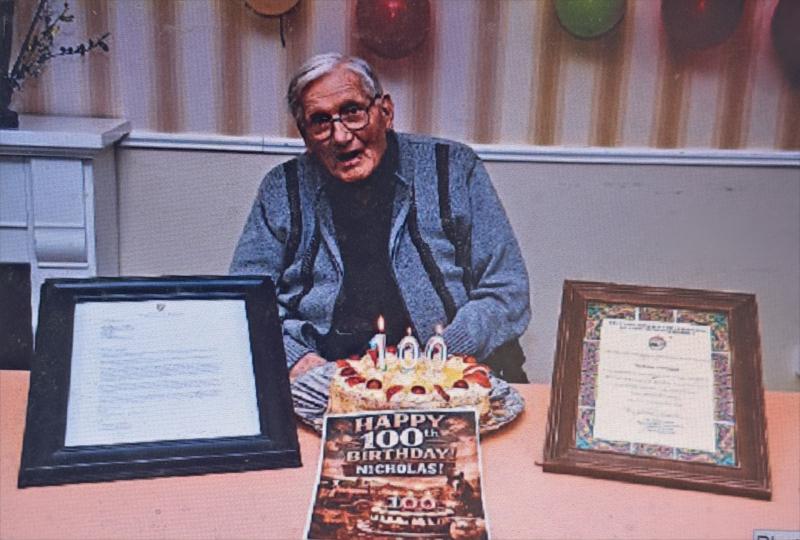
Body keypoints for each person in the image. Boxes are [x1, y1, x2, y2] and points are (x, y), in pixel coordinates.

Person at [231, 52, 530, 382]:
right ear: (305, 136)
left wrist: (441, 356)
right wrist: (300, 362)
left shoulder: (454, 168)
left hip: (449, 371)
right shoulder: (280, 189)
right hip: (324, 380)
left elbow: (506, 291)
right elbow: (247, 299)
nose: (341, 136)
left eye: (352, 112)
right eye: (320, 121)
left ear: (385, 112)